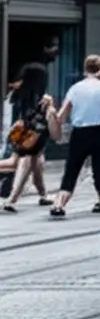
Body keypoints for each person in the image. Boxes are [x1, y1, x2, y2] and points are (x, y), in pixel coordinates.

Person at [49, 55, 100, 218]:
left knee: (71, 169)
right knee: (99, 168)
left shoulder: (75, 88)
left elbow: (62, 114)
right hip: (98, 131)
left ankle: (59, 204)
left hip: (79, 132)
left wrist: (55, 121)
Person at [1, 63, 55, 211]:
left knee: (36, 163)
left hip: (20, 132)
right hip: (33, 134)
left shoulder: (19, 93)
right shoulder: (40, 96)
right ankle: (13, 198)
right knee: (26, 162)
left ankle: (43, 195)